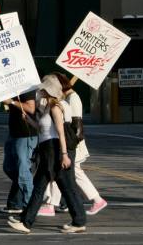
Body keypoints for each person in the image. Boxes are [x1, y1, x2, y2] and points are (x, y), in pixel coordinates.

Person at [8, 74, 87, 234]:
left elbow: (60, 132)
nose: (40, 91)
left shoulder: (56, 107)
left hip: (56, 149)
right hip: (49, 149)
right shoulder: (47, 107)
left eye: (43, 89)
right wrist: (29, 121)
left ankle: (27, 222)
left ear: (49, 90)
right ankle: (77, 221)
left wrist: (64, 154)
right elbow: (43, 129)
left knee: (53, 187)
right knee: (60, 187)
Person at [39, 73, 107, 217]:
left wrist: (70, 148)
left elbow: (75, 125)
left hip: (72, 143)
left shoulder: (73, 98)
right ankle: (91, 200)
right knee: (67, 173)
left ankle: (52, 204)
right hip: (70, 143)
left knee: (62, 171)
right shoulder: (67, 98)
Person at [1, 90, 38, 214]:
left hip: (25, 134)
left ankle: (30, 206)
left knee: (23, 171)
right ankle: (19, 200)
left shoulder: (27, 88)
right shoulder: (13, 88)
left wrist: (11, 102)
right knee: (9, 167)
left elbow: (31, 108)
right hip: (14, 133)